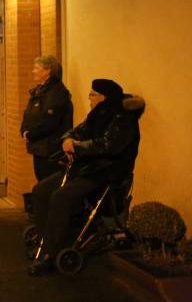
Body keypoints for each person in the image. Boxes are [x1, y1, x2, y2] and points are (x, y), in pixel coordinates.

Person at [28, 79, 145, 276]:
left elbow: (108, 145)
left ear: (103, 97)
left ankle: (49, 253)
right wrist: (68, 139)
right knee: (41, 190)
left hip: (104, 173)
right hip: (84, 167)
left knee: (61, 196)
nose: (89, 97)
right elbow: (77, 130)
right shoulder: (98, 114)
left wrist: (77, 146)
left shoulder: (123, 120)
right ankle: (44, 240)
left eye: (92, 94)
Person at [20, 56, 73, 181]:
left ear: (48, 70)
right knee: (41, 181)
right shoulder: (40, 90)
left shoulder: (55, 92)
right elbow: (30, 113)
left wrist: (31, 134)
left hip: (50, 149)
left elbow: (50, 121)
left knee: (47, 184)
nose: (33, 71)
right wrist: (24, 129)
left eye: (36, 68)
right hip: (40, 147)